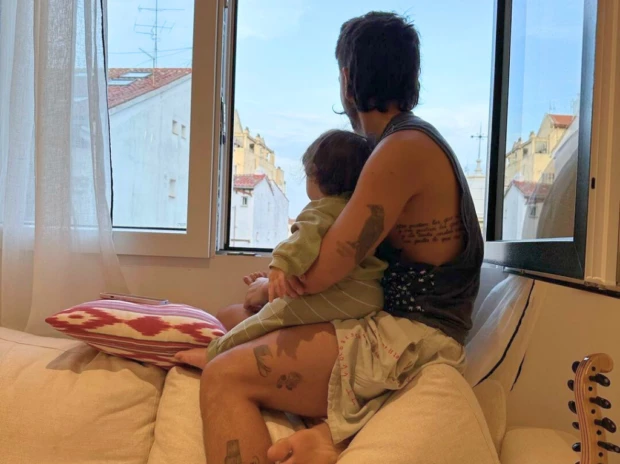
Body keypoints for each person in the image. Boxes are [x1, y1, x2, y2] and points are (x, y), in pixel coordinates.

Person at [176, 11, 484, 464]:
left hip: (411, 339)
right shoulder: (401, 143)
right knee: (232, 316)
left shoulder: (400, 150)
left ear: (346, 78)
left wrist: (270, 286)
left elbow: (321, 273)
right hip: (392, 323)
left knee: (222, 374)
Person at [199, 129, 387, 364]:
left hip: (343, 297)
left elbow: (303, 239)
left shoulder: (322, 208)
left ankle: (213, 354)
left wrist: (280, 266)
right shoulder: (360, 210)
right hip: (371, 296)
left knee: (271, 315)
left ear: (314, 175)